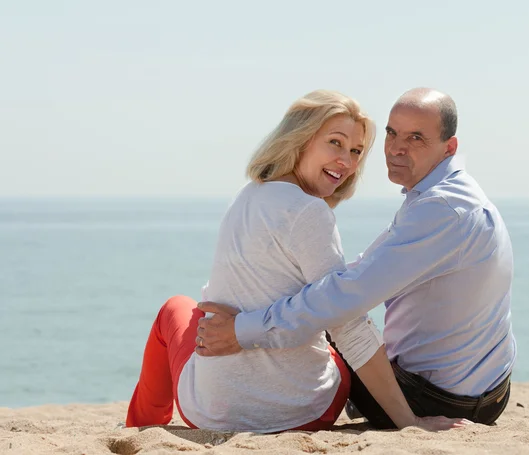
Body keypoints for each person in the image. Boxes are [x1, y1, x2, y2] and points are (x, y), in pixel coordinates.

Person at [126, 90, 467, 433]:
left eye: (355, 152)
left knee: (178, 308)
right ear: (301, 139)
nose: (346, 162)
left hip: (209, 413)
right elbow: (347, 324)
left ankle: (140, 429)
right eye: (335, 143)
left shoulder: (248, 195)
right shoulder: (310, 211)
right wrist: (410, 422)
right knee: (334, 330)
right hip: (304, 413)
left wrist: (238, 322)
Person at [196, 87, 517, 427]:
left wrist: (242, 329)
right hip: (492, 393)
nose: (395, 148)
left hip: (435, 401)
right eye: (392, 133)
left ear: (449, 147)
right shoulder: (452, 196)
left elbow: (344, 299)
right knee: (322, 303)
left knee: (336, 319)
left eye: (416, 138)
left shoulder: (440, 209)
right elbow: (363, 272)